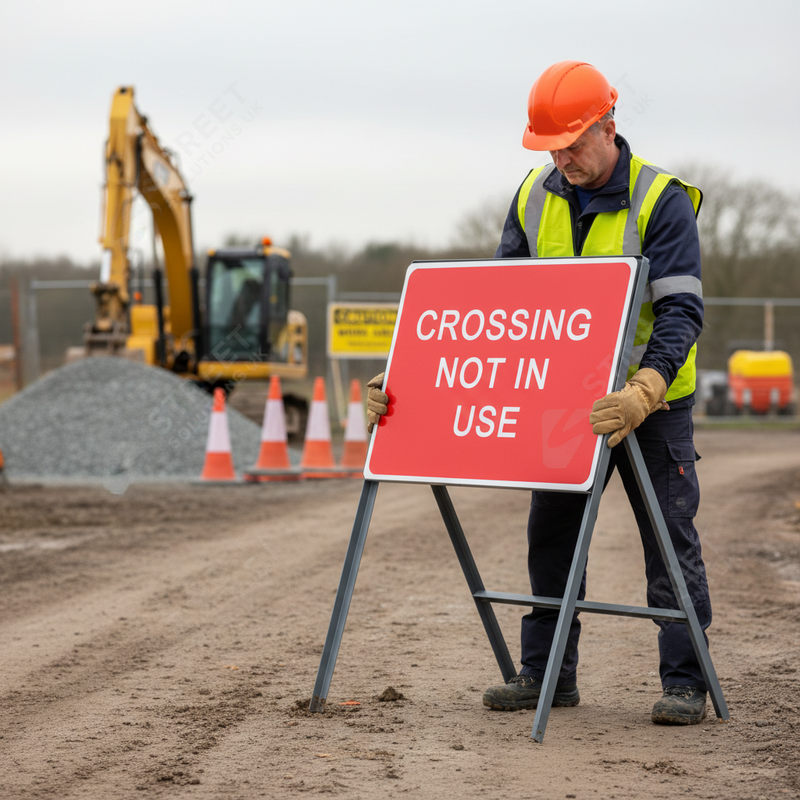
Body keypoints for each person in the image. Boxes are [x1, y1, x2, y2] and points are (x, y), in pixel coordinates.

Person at [368, 60, 710, 726]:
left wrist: (645, 386)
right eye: (551, 146)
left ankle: (686, 682)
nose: (563, 158)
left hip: (653, 406)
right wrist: (408, 369)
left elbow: (681, 312)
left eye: (574, 144)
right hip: (565, 406)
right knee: (550, 537)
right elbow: (498, 312)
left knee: (669, 540)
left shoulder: (660, 199)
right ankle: (547, 676)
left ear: (610, 127)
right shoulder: (533, 195)